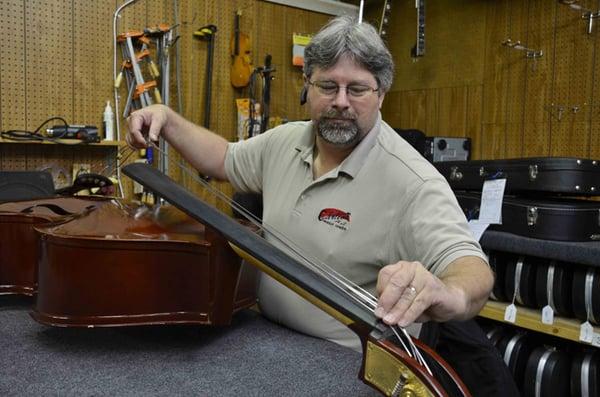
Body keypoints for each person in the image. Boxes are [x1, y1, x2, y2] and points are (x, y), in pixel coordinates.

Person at [127, 15, 494, 352]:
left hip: (346, 364)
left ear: (381, 94)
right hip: (263, 337)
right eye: (328, 86)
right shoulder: (285, 141)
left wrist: (447, 292)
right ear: (307, 86)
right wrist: (168, 119)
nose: (340, 102)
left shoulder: (413, 181)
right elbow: (222, 157)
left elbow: (471, 268)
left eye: (358, 89)